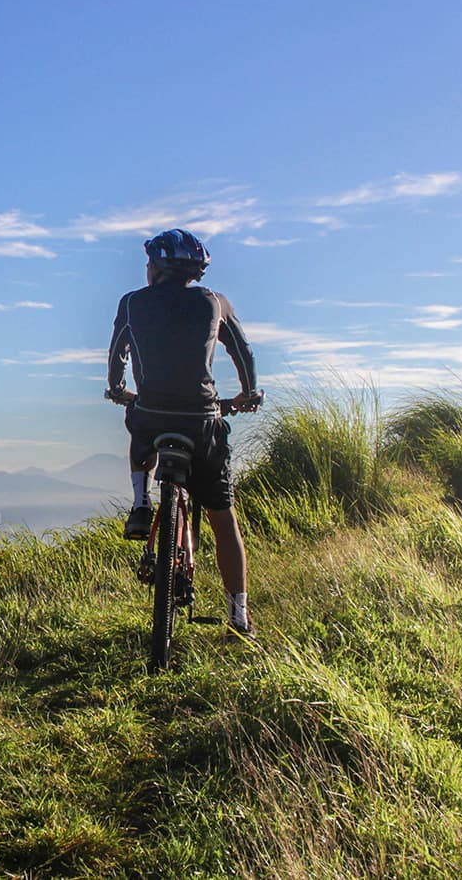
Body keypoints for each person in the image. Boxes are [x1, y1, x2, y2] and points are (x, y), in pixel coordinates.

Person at [105, 228, 262, 638]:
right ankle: (239, 618)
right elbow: (243, 352)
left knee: (138, 423)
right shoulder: (215, 302)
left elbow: (117, 352)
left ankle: (141, 502)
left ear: (156, 268)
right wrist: (248, 393)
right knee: (223, 519)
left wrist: (118, 389)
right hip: (202, 421)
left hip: (151, 416)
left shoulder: (132, 302)